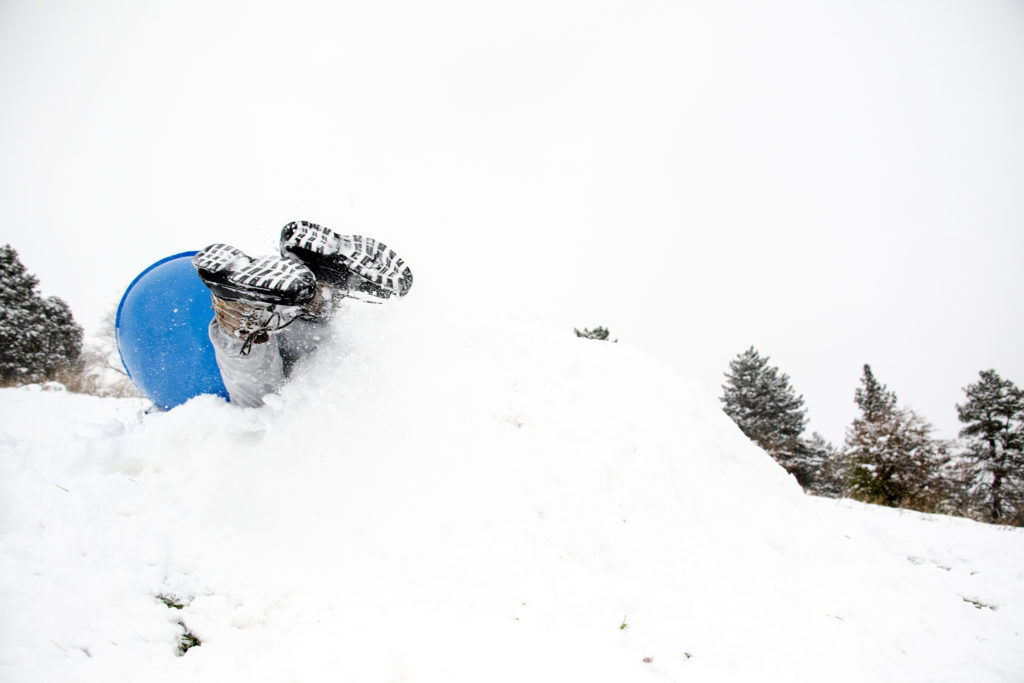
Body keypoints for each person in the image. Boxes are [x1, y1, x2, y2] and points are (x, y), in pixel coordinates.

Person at [191, 220, 413, 407]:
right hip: (289, 336)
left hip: (255, 356)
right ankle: (318, 291)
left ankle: (239, 310)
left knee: (258, 404)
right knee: (305, 345)